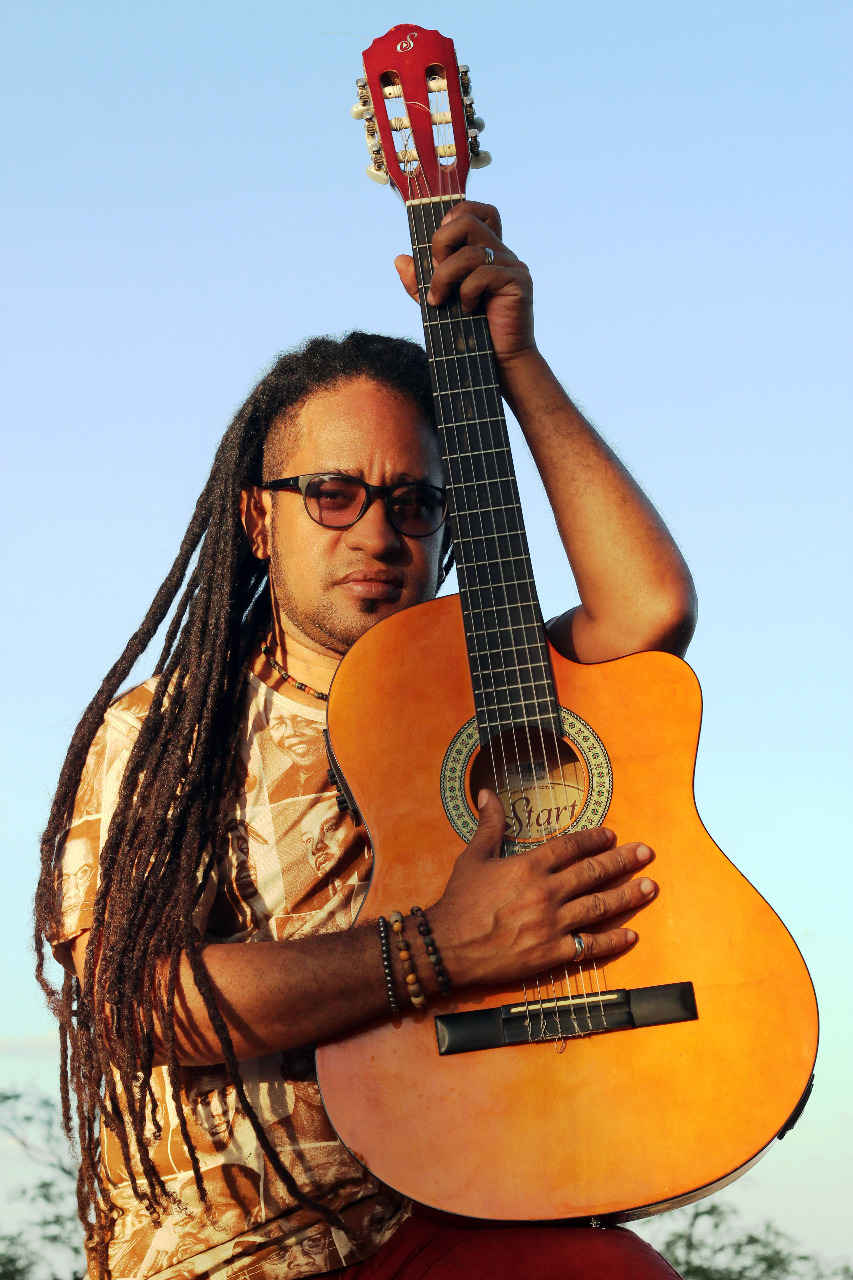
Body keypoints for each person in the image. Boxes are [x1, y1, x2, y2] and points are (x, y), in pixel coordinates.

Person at [36, 201, 696, 1280]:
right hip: (239, 1253)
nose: (378, 533)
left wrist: (516, 366)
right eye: (332, 495)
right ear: (259, 520)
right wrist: (437, 949)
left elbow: (648, 610)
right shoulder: (163, 732)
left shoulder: (486, 693)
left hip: (458, 1202)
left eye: (413, 501)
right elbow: (137, 1005)